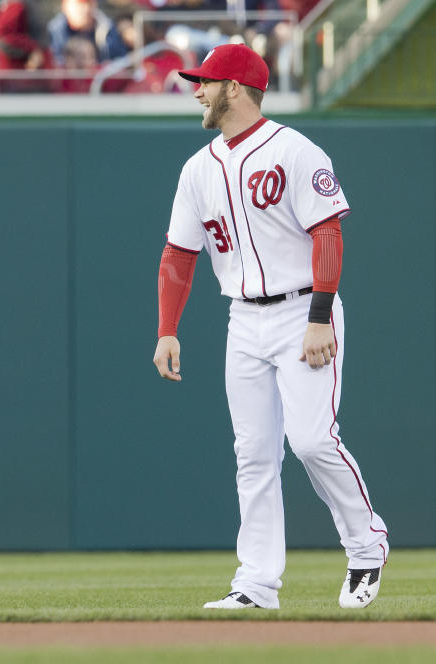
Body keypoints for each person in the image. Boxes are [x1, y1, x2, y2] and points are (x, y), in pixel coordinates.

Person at [152, 44, 388, 610]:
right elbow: (178, 254)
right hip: (243, 318)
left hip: (303, 311)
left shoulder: (295, 150)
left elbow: (328, 234)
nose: (197, 90)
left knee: (310, 440)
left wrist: (318, 317)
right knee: (254, 453)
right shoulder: (197, 167)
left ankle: (366, 544)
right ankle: (256, 584)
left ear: (235, 88)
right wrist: (167, 328)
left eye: (206, 82)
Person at [46, 0, 127, 65]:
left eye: (89, 3)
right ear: (65, 6)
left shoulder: (108, 27)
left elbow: (121, 61)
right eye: (79, 4)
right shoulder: (54, 31)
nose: (85, 9)